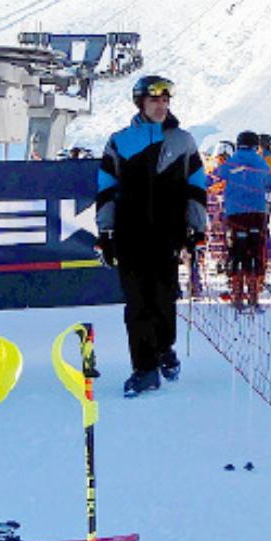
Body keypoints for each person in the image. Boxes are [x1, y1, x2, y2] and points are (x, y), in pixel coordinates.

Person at [96, 75, 210, 397]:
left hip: (167, 234)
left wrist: (196, 231)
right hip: (130, 234)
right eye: (154, 101)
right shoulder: (119, 141)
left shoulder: (183, 141)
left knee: (163, 298)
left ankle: (164, 349)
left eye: (165, 101)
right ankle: (144, 369)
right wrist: (105, 232)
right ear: (140, 104)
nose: (161, 106)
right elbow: (106, 188)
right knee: (137, 303)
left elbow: (196, 187)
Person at [214, 132, 271, 311]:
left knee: (236, 253)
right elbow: (270, 186)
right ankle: (254, 298)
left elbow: (214, 178)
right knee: (255, 253)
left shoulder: (231, 162)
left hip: (235, 214)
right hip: (257, 214)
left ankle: (237, 297)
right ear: (256, 145)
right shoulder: (262, 163)